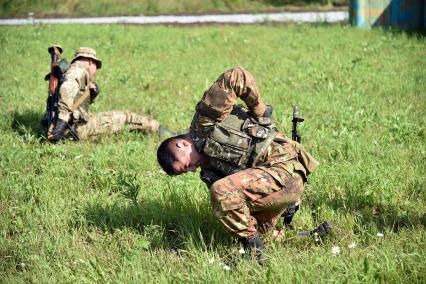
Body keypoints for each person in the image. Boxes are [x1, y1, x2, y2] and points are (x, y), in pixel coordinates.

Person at [156, 66, 319, 262]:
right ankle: (300, 238)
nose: (191, 170)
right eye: (186, 171)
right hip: (281, 185)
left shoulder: (204, 121)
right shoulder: (209, 172)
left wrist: (259, 110)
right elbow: (237, 207)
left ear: (182, 144)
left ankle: (253, 253)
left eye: (186, 165)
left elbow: (235, 76)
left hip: (285, 167)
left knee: (221, 191)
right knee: (248, 225)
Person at [45, 47, 167, 141]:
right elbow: (66, 89)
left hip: (66, 128)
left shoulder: (68, 72)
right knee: (127, 117)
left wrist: (91, 94)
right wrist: (62, 121)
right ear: (89, 62)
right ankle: (164, 133)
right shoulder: (79, 70)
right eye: (96, 67)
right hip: (75, 129)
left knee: (113, 121)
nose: (95, 72)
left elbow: (73, 99)